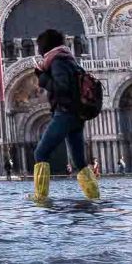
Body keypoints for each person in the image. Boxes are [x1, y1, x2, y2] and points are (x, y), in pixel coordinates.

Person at [31, 29, 100, 203]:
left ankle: (40, 197)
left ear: (46, 45)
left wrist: (42, 77)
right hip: (77, 115)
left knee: (41, 153)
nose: (38, 50)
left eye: (39, 46)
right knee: (79, 162)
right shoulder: (69, 59)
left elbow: (62, 88)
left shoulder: (57, 61)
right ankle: (94, 196)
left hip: (65, 113)